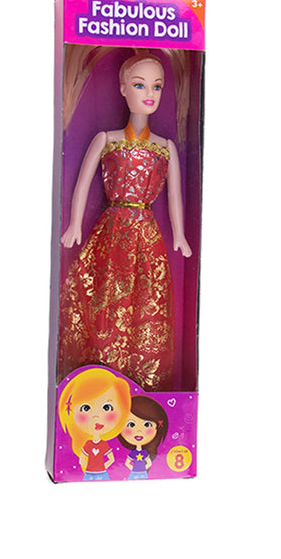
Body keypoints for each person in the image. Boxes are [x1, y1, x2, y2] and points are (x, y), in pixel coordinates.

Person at [59, 52, 191, 391]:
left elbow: (174, 196)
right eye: (139, 84)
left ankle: (139, 382)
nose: (149, 94)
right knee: (105, 297)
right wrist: (74, 224)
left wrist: (180, 234)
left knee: (146, 301)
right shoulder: (107, 139)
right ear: (122, 88)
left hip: (147, 234)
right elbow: (83, 184)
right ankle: (100, 372)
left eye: (157, 86)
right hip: (112, 229)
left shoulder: (165, 148)